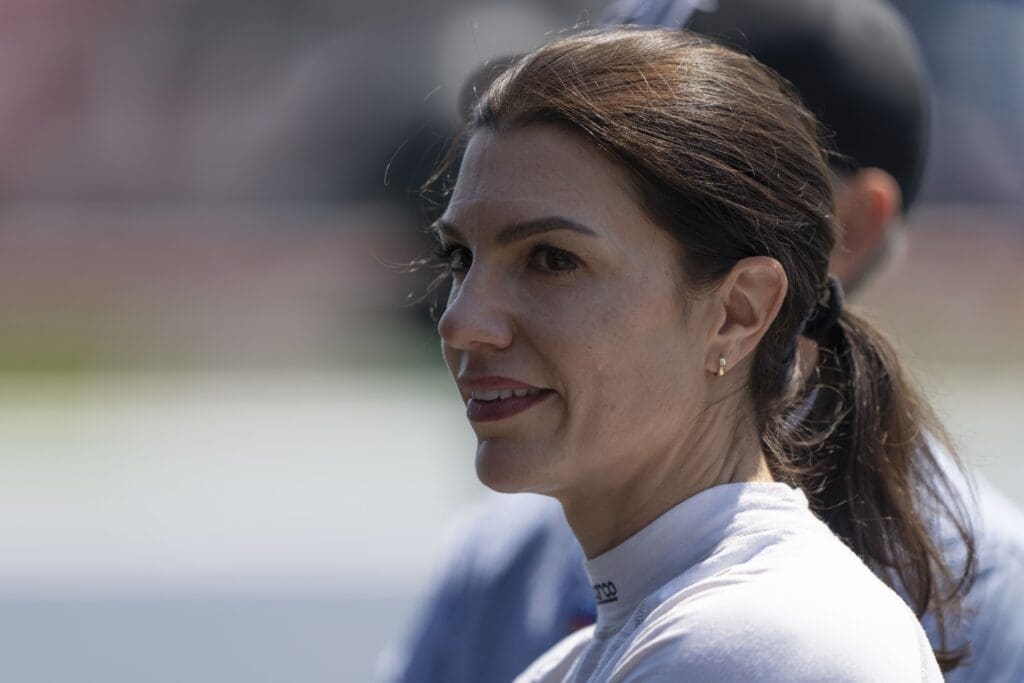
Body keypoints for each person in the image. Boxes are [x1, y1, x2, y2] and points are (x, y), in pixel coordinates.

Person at [381, 2, 1024, 681]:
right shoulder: (550, 594)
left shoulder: (776, 637)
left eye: (552, 259)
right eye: (459, 260)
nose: (462, 321)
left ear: (740, 309)